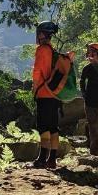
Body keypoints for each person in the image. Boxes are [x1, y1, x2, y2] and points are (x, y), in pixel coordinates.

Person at [31, 20, 61, 170]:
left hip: (44, 94)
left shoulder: (42, 50)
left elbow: (38, 71)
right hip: (55, 95)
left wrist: (35, 88)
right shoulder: (53, 51)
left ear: (43, 34)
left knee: (43, 126)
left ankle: (42, 158)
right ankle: (52, 159)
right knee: (53, 127)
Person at [80, 42, 98, 157]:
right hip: (90, 103)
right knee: (93, 128)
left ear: (97, 54)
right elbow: (82, 81)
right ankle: (94, 151)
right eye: (88, 53)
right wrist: (84, 94)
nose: (89, 55)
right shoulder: (87, 68)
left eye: (91, 53)